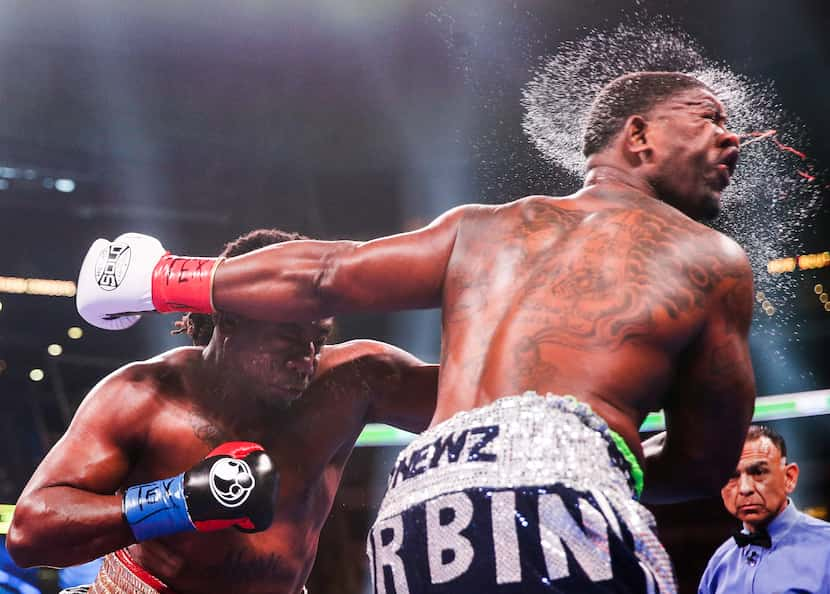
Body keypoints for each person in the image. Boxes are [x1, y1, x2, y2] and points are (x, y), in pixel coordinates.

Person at [75, 71, 757, 593]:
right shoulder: (710, 259)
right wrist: (615, 457)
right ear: (638, 136)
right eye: (708, 119)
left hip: (421, 504)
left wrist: (161, 276)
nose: (732, 138)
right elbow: (703, 465)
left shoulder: (483, 228)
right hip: (563, 492)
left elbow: (329, 271)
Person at [9, 229, 438, 594]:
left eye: (318, 339)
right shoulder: (143, 395)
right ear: (230, 322)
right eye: (288, 338)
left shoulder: (354, 381)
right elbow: (30, 534)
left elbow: (490, 398)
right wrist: (180, 500)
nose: (306, 357)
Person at [698, 425, 830, 593]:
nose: (745, 488)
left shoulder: (826, 548)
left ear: (789, 477)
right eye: (732, 476)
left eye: (759, 472)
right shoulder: (719, 562)